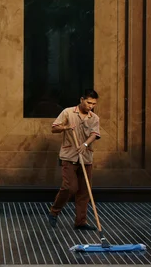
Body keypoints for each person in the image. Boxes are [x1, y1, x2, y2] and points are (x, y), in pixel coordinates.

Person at [47, 89, 101, 230]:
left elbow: (95, 134)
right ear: (82, 99)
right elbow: (54, 128)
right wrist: (66, 127)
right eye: (88, 102)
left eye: (93, 104)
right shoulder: (68, 112)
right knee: (70, 187)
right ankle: (54, 212)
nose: (90, 106)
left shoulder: (94, 118)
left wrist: (85, 144)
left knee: (84, 191)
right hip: (69, 155)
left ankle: (81, 222)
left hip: (86, 156)